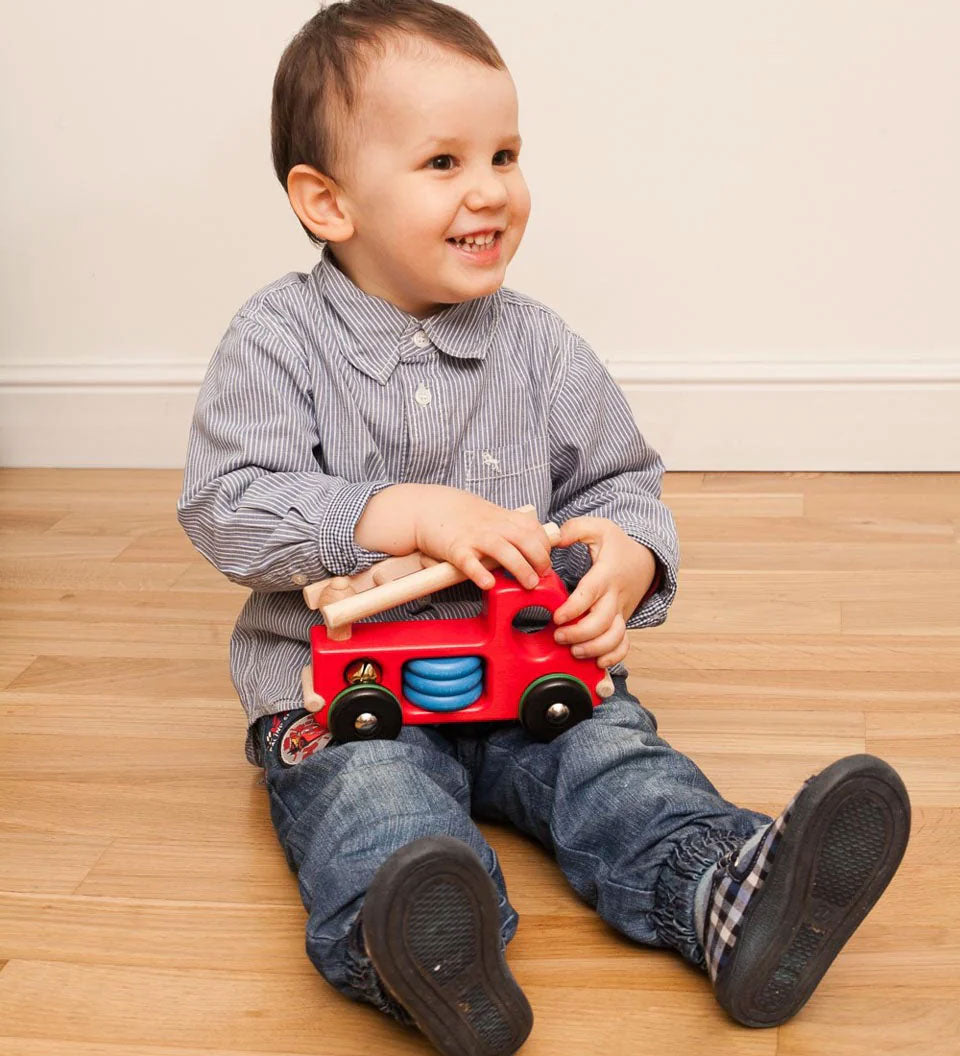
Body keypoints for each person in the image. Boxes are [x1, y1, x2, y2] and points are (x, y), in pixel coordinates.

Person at [176, 3, 911, 1054]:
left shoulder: (544, 351)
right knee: (375, 804)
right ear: (326, 201)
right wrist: (399, 513)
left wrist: (627, 556)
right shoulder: (276, 344)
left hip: (526, 672)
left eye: (506, 154)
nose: (492, 190)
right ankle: (426, 950)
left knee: (615, 760)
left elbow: (623, 481)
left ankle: (720, 888)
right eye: (443, 161)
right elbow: (227, 505)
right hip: (353, 691)